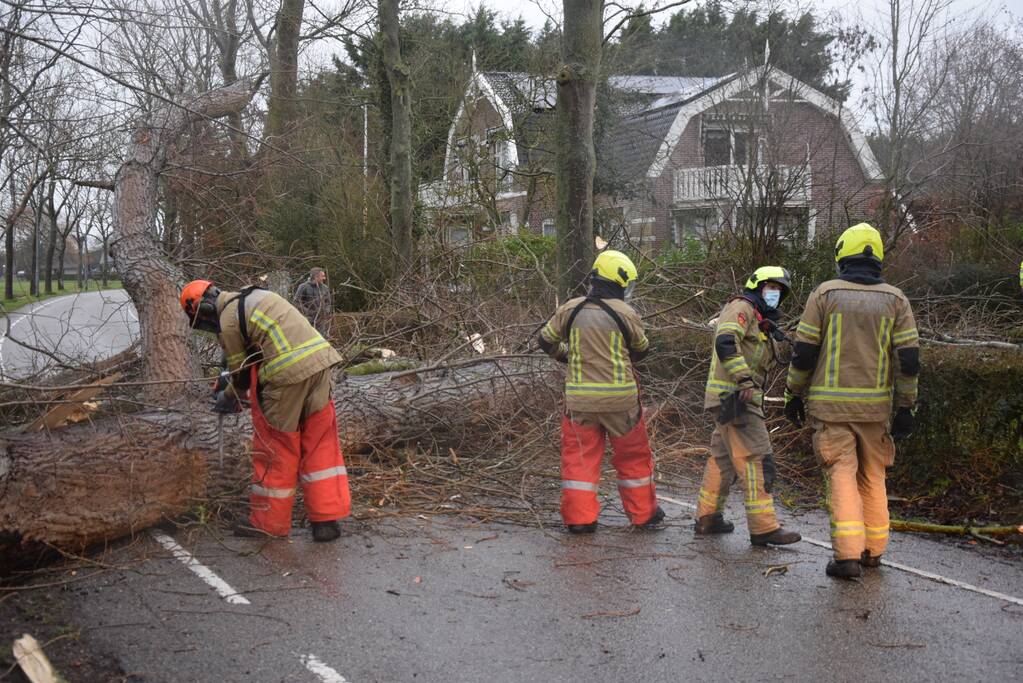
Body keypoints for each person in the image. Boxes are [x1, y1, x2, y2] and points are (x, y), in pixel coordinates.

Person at [784, 223, 920, 578]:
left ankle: (846, 558)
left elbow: (803, 352)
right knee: (874, 476)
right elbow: (909, 360)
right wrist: (906, 406)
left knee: (841, 474)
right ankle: (873, 552)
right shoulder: (897, 300)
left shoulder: (825, 294)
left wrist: (793, 394)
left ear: (843, 253)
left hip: (830, 409)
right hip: (876, 411)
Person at [180, 279, 351, 542]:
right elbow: (240, 357)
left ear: (203, 310)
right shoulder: (254, 298)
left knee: (276, 449)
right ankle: (326, 520)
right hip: (321, 365)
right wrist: (225, 378)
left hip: (287, 376)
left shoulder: (228, 318)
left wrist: (228, 397)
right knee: (320, 445)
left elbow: (240, 374)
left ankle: (268, 523)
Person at [538, 250, 664, 533]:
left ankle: (580, 520)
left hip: (580, 402)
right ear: (618, 282)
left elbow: (545, 341)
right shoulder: (626, 313)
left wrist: (566, 357)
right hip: (622, 402)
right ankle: (644, 515)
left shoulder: (570, 309)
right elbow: (641, 351)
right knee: (633, 459)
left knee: (579, 462)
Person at [694, 267, 802, 547]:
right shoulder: (741, 308)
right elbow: (726, 341)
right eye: (771, 287)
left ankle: (708, 517)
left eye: (780, 289)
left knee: (722, 459)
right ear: (756, 286)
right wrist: (744, 381)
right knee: (757, 457)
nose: (775, 293)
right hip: (738, 398)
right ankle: (764, 527)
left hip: (730, 398)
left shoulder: (758, 319)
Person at [294, 267, 332, 335]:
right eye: (322, 276)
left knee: (321, 338)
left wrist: (326, 311)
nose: (324, 278)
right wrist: (308, 312)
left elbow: (328, 302)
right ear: (316, 277)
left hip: (321, 321)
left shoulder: (325, 288)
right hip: (307, 320)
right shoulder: (303, 287)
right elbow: (296, 302)